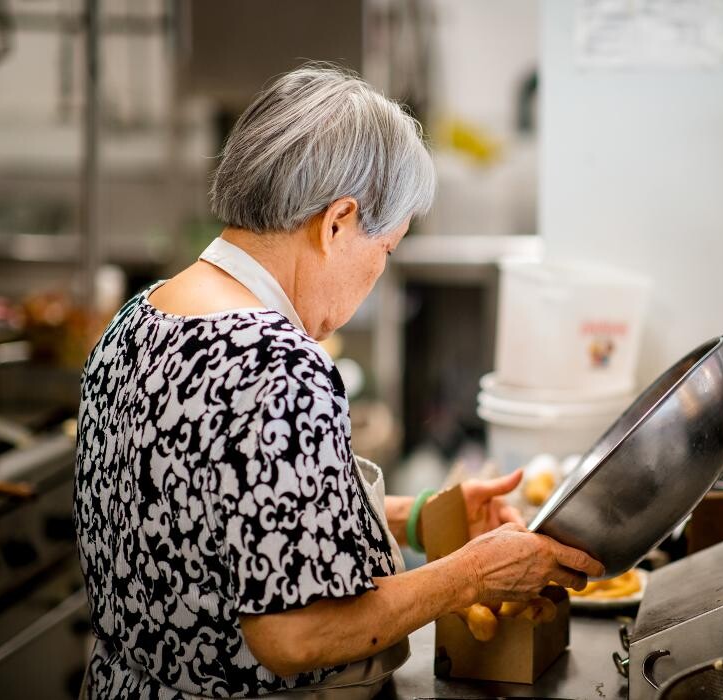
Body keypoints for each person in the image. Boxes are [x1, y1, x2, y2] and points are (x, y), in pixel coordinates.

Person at [73, 64, 603, 699]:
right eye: (386, 250)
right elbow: (297, 633)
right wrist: (473, 575)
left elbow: (228, 521)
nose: (378, 273)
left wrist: (416, 518)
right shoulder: (279, 365)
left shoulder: (142, 316)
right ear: (337, 223)